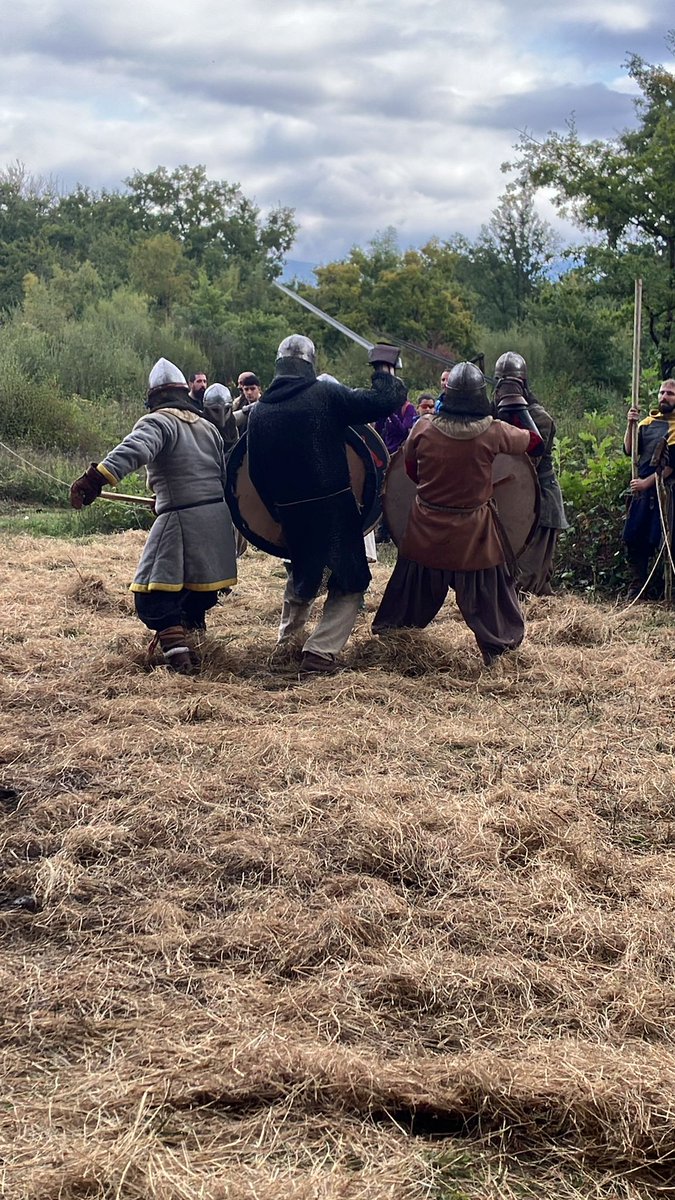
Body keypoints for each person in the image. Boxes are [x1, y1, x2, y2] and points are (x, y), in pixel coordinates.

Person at [247, 334, 407, 678]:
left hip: (291, 513)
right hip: (333, 511)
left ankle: (287, 642)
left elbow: (255, 475)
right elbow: (385, 400)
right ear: (309, 364)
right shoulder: (324, 395)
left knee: (304, 577)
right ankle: (320, 652)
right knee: (350, 581)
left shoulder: (259, 412)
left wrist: (277, 515)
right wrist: (383, 368)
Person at [69, 358, 237, 674]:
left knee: (153, 597)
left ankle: (181, 663)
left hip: (182, 523)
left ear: (154, 398)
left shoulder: (158, 422)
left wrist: (94, 479)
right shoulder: (208, 428)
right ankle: (194, 644)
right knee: (192, 595)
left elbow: (134, 450)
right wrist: (164, 497)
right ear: (184, 393)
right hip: (216, 522)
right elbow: (217, 476)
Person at [372, 362, 543, 666]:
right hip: (473, 536)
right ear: (480, 395)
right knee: (489, 593)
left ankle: (392, 642)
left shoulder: (423, 426)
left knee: (410, 590)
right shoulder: (494, 431)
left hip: (425, 530)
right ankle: (498, 652)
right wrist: (516, 405)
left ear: (446, 394)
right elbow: (534, 442)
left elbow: (410, 471)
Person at [493, 352, 569, 595]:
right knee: (518, 567)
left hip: (541, 498)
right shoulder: (495, 415)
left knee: (532, 570)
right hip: (513, 498)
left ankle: (528, 619)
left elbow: (528, 463)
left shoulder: (540, 419)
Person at [622, 378, 675, 598]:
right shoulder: (647, 423)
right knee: (635, 537)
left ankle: (667, 588)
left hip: (668, 491)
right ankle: (638, 585)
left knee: (667, 541)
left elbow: (672, 465)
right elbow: (629, 450)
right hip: (643, 492)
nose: (664, 397)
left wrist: (647, 483)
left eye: (670, 394)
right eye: (662, 392)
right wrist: (630, 424)